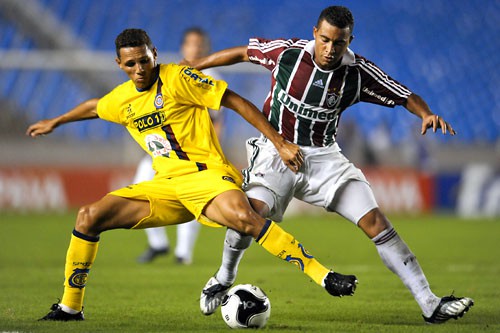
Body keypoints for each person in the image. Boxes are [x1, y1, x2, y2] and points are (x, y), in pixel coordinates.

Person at [27, 28, 358, 322]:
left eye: (144, 60)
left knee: (244, 218)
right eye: (131, 64)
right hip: (165, 186)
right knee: (88, 217)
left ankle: (323, 276)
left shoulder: (178, 78)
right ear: (120, 65)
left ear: (154, 53)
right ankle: (71, 308)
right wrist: (56, 121)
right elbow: (95, 106)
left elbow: (235, 101)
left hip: (207, 176)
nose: (140, 69)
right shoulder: (122, 99)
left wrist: (280, 142)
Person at [187, 6, 473, 324]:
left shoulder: (359, 73)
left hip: (324, 159)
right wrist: (197, 65)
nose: (330, 49)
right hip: (275, 151)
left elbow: (404, 95)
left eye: (339, 43)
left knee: (377, 223)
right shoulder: (287, 54)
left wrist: (426, 114)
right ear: (315, 33)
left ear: (349, 41)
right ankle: (225, 276)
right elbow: (244, 52)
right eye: (325, 40)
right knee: (248, 213)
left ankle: (429, 303)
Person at [136, 27, 224, 265]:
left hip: (193, 152)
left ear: (206, 48)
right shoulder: (170, 73)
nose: (195, 48)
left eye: (200, 44)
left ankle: (183, 253)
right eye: (191, 44)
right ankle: (158, 243)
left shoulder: (212, 76)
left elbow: (217, 121)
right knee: (139, 188)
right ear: (183, 47)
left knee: (191, 198)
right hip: (164, 148)